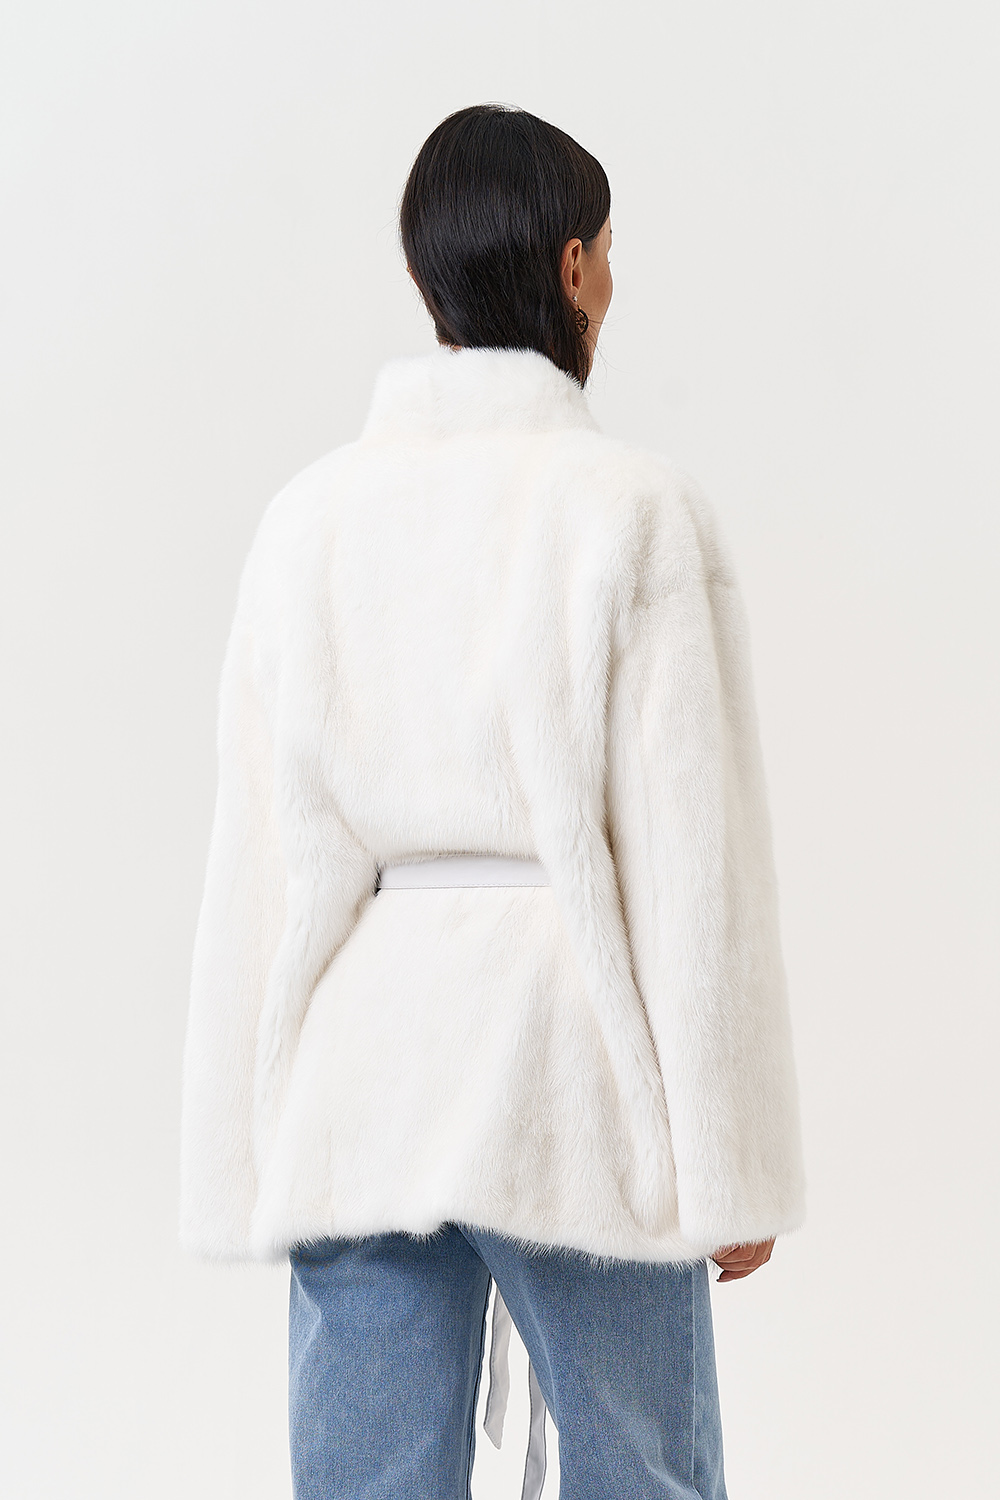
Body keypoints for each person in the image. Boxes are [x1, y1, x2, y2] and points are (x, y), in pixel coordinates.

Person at [179, 102, 806, 1500]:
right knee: (643, 1472)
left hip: (360, 1074)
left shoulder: (309, 522)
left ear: (426, 277)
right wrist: (732, 1161)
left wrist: (249, 1140)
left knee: (362, 1482)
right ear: (574, 265)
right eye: (610, 254)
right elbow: (694, 865)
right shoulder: (632, 509)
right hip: (573, 1068)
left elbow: (264, 857)